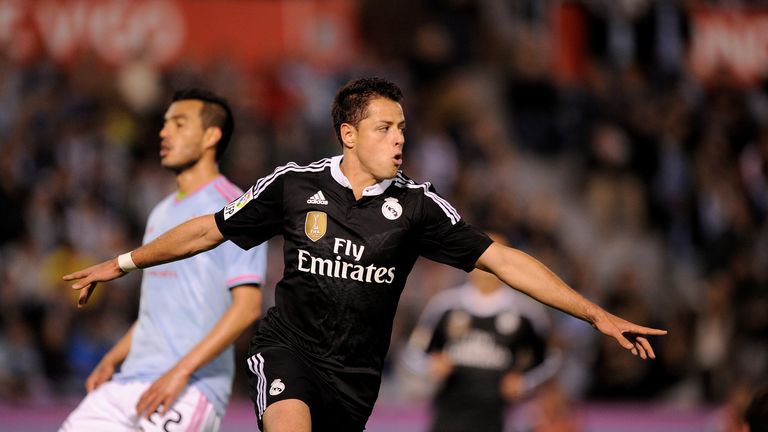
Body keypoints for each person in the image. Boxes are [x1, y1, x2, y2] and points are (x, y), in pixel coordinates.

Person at [64, 77, 667, 432]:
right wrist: (121, 264)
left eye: (403, 127)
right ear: (348, 135)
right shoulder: (294, 186)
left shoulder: (419, 207)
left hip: (355, 381)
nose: (400, 138)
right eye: (385, 127)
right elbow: (207, 231)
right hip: (287, 351)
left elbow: (505, 261)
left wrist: (595, 314)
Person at [60, 89, 268, 431]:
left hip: (189, 387)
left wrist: (180, 374)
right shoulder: (160, 211)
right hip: (130, 380)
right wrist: (113, 358)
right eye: (165, 123)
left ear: (210, 136)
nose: (164, 132)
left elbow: (246, 309)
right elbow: (157, 310)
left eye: (179, 123)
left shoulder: (236, 209)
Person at [401, 232, 562, 432]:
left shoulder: (526, 312)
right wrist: (431, 365)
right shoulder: (445, 305)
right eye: (482, 251)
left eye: (496, 253)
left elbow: (550, 358)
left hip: (498, 417)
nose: (489, 262)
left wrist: (524, 382)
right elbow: (413, 352)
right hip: (448, 416)